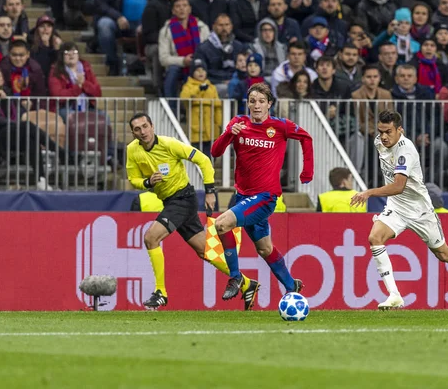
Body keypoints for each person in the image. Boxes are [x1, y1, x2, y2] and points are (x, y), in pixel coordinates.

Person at [350, 110, 448, 309]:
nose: (383, 136)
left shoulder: (406, 150)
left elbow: (399, 185)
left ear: (400, 130)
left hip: (420, 211)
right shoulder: (378, 142)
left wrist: (369, 192)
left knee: (443, 254)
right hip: (397, 207)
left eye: (388, 131)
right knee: (375, 238)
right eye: (381, 131)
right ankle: (394, 295)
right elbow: (395, 188)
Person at [126, 112, 259, 310]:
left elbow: (204, 160)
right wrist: (147, 182)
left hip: (183, 199)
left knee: (151, 238)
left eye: (145, 126)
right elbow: (133, 179)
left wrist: (210, 192)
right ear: (133, 133)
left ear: (152, 126)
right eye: (137, 129)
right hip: (169, 201)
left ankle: (160, 292)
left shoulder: (170, 145)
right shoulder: (132, 150)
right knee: (205, 251)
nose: (143, 131)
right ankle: (248, 284)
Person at [210, 82, 314, 300]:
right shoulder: (238, 123)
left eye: (261, 101)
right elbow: (215, 151)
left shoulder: (280, 126)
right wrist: (229, 133)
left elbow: (306, 138)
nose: (256, 106)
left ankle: (236, 276)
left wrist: (307, 172)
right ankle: (291, 285)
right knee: (265, 249)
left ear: (270, 104)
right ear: (247, 103)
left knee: (221, 224)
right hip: (243, 195)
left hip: (266, 196)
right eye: (252, 101)